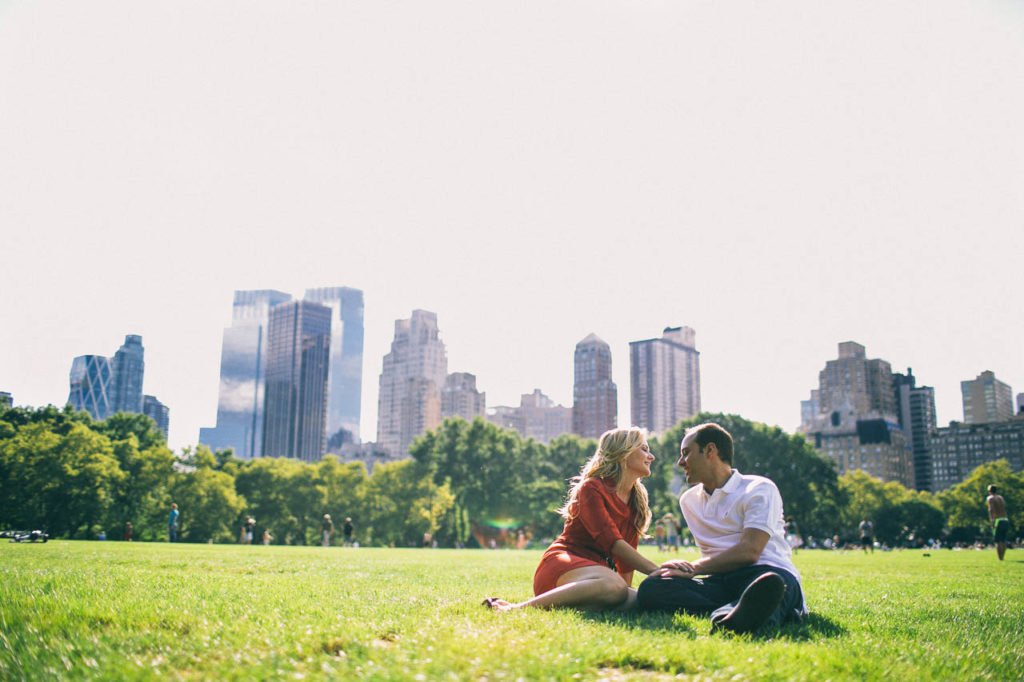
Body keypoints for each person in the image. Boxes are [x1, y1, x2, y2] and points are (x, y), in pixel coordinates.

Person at [636, 423, 806, 634]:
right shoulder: (688, 501)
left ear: (710, 450)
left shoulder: (759, 488)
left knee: (773, 585)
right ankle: (735, 614)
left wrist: (692, 568)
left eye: (686, 453)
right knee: (652, 588)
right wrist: (679, 571)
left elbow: (750, 551)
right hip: (720, 580)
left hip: (767, 572)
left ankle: (746, 613)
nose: (680, 462)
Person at [483, 427, 659, 612]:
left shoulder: (636, 502)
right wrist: (658, 572)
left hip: (599, 580)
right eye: (644, 449)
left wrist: (627, 598)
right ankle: (515, 609)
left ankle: (576, 604)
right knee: (615, 586)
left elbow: (625, 564)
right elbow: (613, 542)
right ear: (624, 453)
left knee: (638, 600)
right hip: (563, 566)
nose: (651, 456)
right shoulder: (592, 488)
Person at [987, 485, 1011, 561]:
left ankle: (1000, 558)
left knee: (998, 541)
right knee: (1003, 540)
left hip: (998, 520)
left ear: (989, 491)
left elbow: (991, 509)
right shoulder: (1001, 498)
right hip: (1005, 519)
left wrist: (992, 520)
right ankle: (1002, 557)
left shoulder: (990, 498)